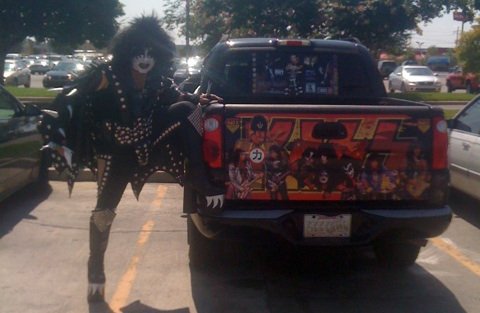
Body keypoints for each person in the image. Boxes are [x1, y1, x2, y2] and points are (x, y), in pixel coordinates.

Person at [37, 15, 224, 302]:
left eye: (151, 53)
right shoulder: (107, 76)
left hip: (146, 146)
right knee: (104, 211)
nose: (145, 59)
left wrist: (201, 101)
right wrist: (62, 115)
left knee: (187, 109)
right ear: (128, 51)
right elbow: (75, 95)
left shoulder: (156, 81)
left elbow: (178, 95)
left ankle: (198, 176)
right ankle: (96, 267)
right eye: (140, 52)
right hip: (114, 155)